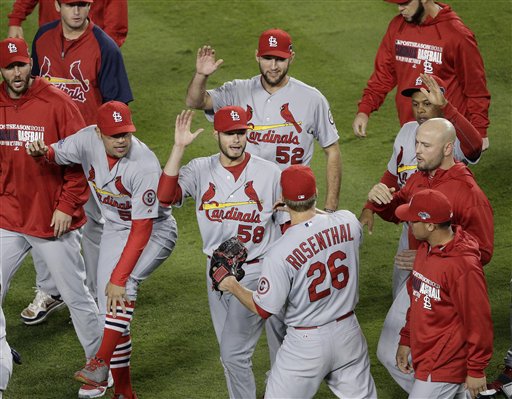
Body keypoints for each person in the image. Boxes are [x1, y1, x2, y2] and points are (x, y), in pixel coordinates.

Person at [27, 101, 177, 399]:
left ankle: (99, 363)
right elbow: (57, 153)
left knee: (124, 286)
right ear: (98, 132)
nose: (122, 140)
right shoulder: (86, 139)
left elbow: (142, 229)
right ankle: (123, 392)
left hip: (155, 231)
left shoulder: (143, 164)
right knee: (110, 307)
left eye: (126, 133)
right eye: (114, 135)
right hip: (115, 228)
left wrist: (120, 277)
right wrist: (42, 151)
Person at [20, 0, 133, 345]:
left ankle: (99, 300)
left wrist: (111, 155)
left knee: (97, 227)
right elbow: (32, 88)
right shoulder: (42, 37)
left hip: (90, 150)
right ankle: (50, 291)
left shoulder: (105, 47)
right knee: (43, 219)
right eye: (70, 4)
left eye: (83, 4)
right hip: (50, 148)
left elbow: (118, 108)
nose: (77, 11)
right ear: (57, 5)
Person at [218, 164, 377, 399]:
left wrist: (231, 283)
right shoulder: (348, 222)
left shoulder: (279, 252)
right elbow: (326, 220)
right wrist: (304, 207)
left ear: (283, 198)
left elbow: (263, 308)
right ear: (316, 194)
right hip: (349, 334)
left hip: (306, 344)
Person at [157, 106, 284, 399]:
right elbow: (165, 197)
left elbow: (287, 224)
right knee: (232, 354)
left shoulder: (269, 173)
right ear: (217, 134)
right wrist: (178, 148)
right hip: (215, 272)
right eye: (229, 133)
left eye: (241, 133)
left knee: (235, 353)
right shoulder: (200, 169)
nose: (237, 140)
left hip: (258, 269)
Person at [364, 117, 494, 393]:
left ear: (448, 148)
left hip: (446, 286)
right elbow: (399, 211)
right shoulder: (420, 177)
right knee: (390, 352)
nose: (417, 151)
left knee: (417, 356)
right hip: (421, 276)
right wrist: (379, 202)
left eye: (425, 145)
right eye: (416, 143)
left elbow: (483, 250)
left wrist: (434, 256)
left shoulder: (468, 193)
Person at [0, 36, 102, 375]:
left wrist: (66, 205)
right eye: (9, 67)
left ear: (31, 63)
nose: (16, 73)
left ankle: (103, 364)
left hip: (50, 219)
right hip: (8, 217)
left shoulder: (57, 103)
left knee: (77, 298)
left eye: (21, 65)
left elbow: (81, 161)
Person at [185, 28, 341, 212]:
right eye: (268, 58)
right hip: (246, 200)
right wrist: (201, 75)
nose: (273, 66)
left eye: (280, 59)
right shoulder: (237, 91)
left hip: (292, 201)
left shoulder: (312, 99)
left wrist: (331, 208)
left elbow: (332, 150)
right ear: (257, 56)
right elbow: (195, 101)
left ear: (291, 57)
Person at [360, 72, 483, 297]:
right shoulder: (407, 132)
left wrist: (448, 108)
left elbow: (474, 147)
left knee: (437, 298)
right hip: (412, 229)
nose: (420, 110)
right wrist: (372, 205)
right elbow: (393, 176)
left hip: (445, 234)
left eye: (427, 103)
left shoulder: (449, 132)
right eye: (416, 104)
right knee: (402, 296)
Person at [352, 0, 491, 150]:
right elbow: (383, 75)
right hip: (412, 131)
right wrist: (364, 111)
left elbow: (475, 89)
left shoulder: (457, 35)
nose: (400, 8)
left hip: (448, 137)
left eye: (405, 2)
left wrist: (479, 132)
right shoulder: (397, 26)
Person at [394, 189, 493, 399]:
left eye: (413, 221)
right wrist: (407, 339)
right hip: (428, 353)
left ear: (430, 225)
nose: (409, 225)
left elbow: (478, 320)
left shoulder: (463, 266)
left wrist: (476, 369)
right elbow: (417, 299)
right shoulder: (425, 249)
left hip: (444, 361)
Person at [7, 0, 128, 47]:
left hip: (88, 47)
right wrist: (16, 20)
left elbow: (116, 26)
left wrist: (99, 53)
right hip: (50, 45)